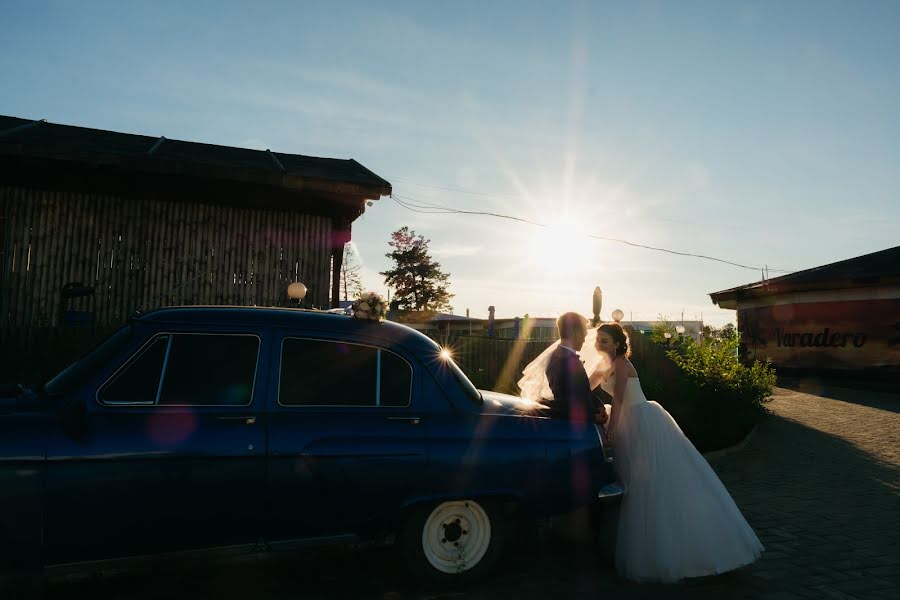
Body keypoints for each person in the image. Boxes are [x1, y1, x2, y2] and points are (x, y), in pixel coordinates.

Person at [587, 322, 763, 582]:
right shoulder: (603, 365)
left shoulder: (622, 364)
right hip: (625, 421)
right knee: (629, 480)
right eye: (598, 340)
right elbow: (584, 387)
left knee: (650, 483)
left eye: (604, 340)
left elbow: (621, 398)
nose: (599, 344)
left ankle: (676, 548)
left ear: (617, 343)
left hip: (640, 421)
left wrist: (611, 426)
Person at [518, 312, 608, 426]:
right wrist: (592, 418)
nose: (584, 340)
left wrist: (598, 405)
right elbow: (564, 405)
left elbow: (582, 391)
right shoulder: (561, 361)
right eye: (584, 336)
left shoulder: (563, 356)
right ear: (574, 333)